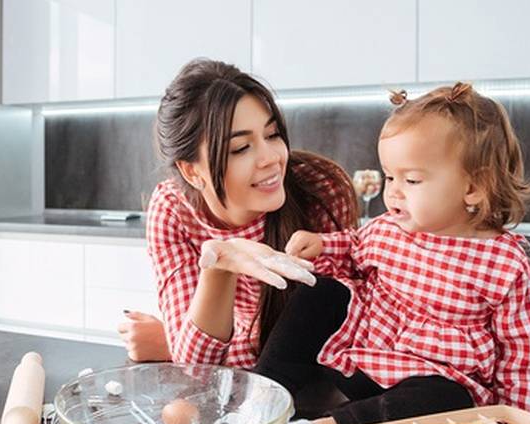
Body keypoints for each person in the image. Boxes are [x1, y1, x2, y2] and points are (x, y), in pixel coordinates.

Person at [267, 82, 530, 424]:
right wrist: (320, 245)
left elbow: (526, 361)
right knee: (322, 288)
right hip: (366, 361)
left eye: (412, 181)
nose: (394, 194)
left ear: (473, 187)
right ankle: (263, 400)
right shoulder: (389, 229)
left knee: (452, 403)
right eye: (389, 178)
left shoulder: (503, 262)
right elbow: (353, 249)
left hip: (429, 392)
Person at [128, 58, 358, 369]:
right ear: (191, 171)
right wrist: (219, 266)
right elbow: (195, 369)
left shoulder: (321, 189)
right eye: (240, 148)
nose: (271, 158)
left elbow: (339, 334)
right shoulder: (173, 209)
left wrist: (168, 341)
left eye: (273, 134)